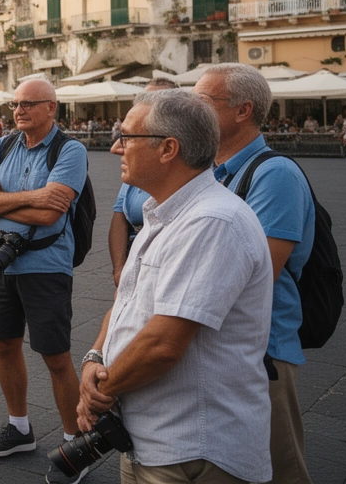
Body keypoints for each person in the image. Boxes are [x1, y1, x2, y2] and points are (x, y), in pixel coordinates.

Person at [81, 90, 273, 484]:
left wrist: (101, 392)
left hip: (191, 446)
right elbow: (127, 301)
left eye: (127, 136)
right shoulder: (162, 213)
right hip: (153, 438)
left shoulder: (211, 222)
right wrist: (94, 356)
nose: (117, 147)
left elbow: (163, 345)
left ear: (168, 148)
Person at [195, 63, 316, 484]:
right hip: (221, 344)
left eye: (203, 101)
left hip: (262, 353)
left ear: (242, 111)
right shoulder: (211, 172)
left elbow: (257, 271)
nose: (193, 108)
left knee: (280, 468)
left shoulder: (275, 174)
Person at [0, 79, 87, 484]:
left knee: (56, 356)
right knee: (4, 346)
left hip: (46, 265)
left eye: (28, 103)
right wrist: (35, 196)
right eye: (15, 104)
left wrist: (4, 197)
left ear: (52, 108)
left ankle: (76, 445)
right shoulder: (2, 146)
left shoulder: (70, 150)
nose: (18, 110)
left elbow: (49, 216)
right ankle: (19, 428)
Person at [107, 78, 176, 287]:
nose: (116, 148)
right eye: (142, 100)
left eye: (155, 101)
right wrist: (120, 269)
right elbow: (119, 215)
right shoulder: (137, 169)